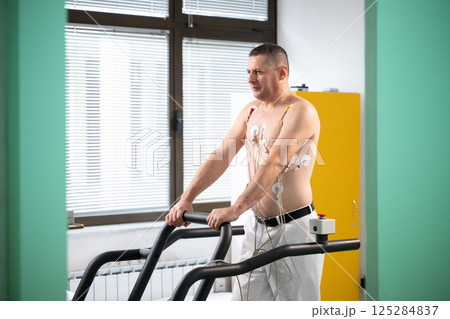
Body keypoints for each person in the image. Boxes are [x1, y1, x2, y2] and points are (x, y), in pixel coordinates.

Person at [166, 43, 324, 300]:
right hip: (257, 227)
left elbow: (273, 164)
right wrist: (187, 198)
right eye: (248, 71)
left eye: (258, 72)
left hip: (295, 228)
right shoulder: (251, 111)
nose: (250, 79)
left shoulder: (300, 111)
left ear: (281, 73)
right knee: (244, 302)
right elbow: (221, 156)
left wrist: (235, 209)